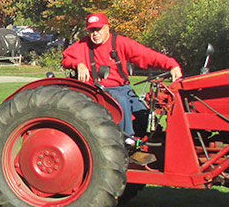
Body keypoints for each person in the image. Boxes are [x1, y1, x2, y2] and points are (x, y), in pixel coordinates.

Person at [61, 12, 182, 166]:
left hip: (123, 88)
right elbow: (66, 57)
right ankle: (128, 144)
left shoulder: (120, 43)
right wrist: (79, 64)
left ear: (107, 28)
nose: (95, 34)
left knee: (143, 112)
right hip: (100, 91)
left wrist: (171, 64)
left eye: (98, 29)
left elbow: (145, 55)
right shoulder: (83, 45)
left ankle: (152, 142)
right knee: (121, 101)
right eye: (92, 30)